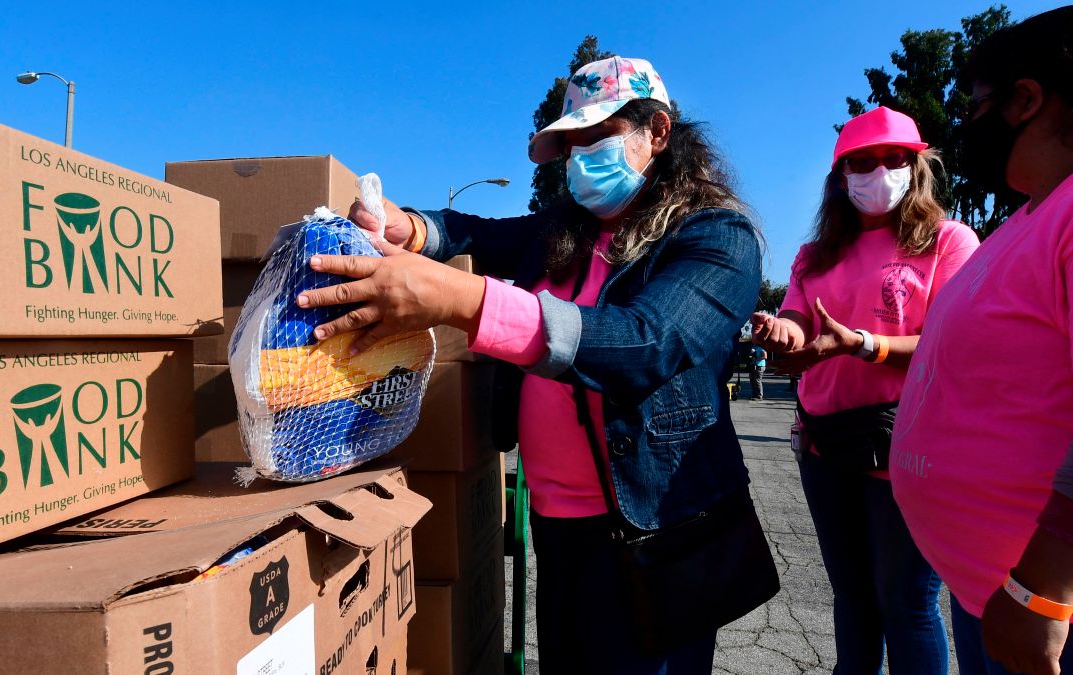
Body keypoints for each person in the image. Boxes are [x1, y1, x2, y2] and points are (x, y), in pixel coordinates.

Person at [294, 56, 776, 674]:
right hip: (559, 524)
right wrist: (407, 226)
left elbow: (645, 342)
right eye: (570, 143)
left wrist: (459, 300)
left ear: (657, 132)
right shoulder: (564, 230)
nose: (578, 158)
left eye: (596, 137)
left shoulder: (717, 238)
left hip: (652, 531)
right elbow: (473, 232)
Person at [751, 106, 980, 674]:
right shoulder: (813, 255)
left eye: (894, 159)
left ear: (916, 165)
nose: (879, 171)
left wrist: (863, 344)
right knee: (852, 600)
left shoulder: (948, 242)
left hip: (911, 446)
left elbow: (952, 346)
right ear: (840, 176)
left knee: (905, 604)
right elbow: (799, 320)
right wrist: (780, 333)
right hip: (824, 445)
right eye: (862, 162)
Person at [890, 8, 1073, 674]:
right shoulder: (1033, 215)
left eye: (974, 110)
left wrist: (1045, 584)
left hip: (1041, 614)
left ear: (1025, 100)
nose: (964, 129)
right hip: (991, 595)